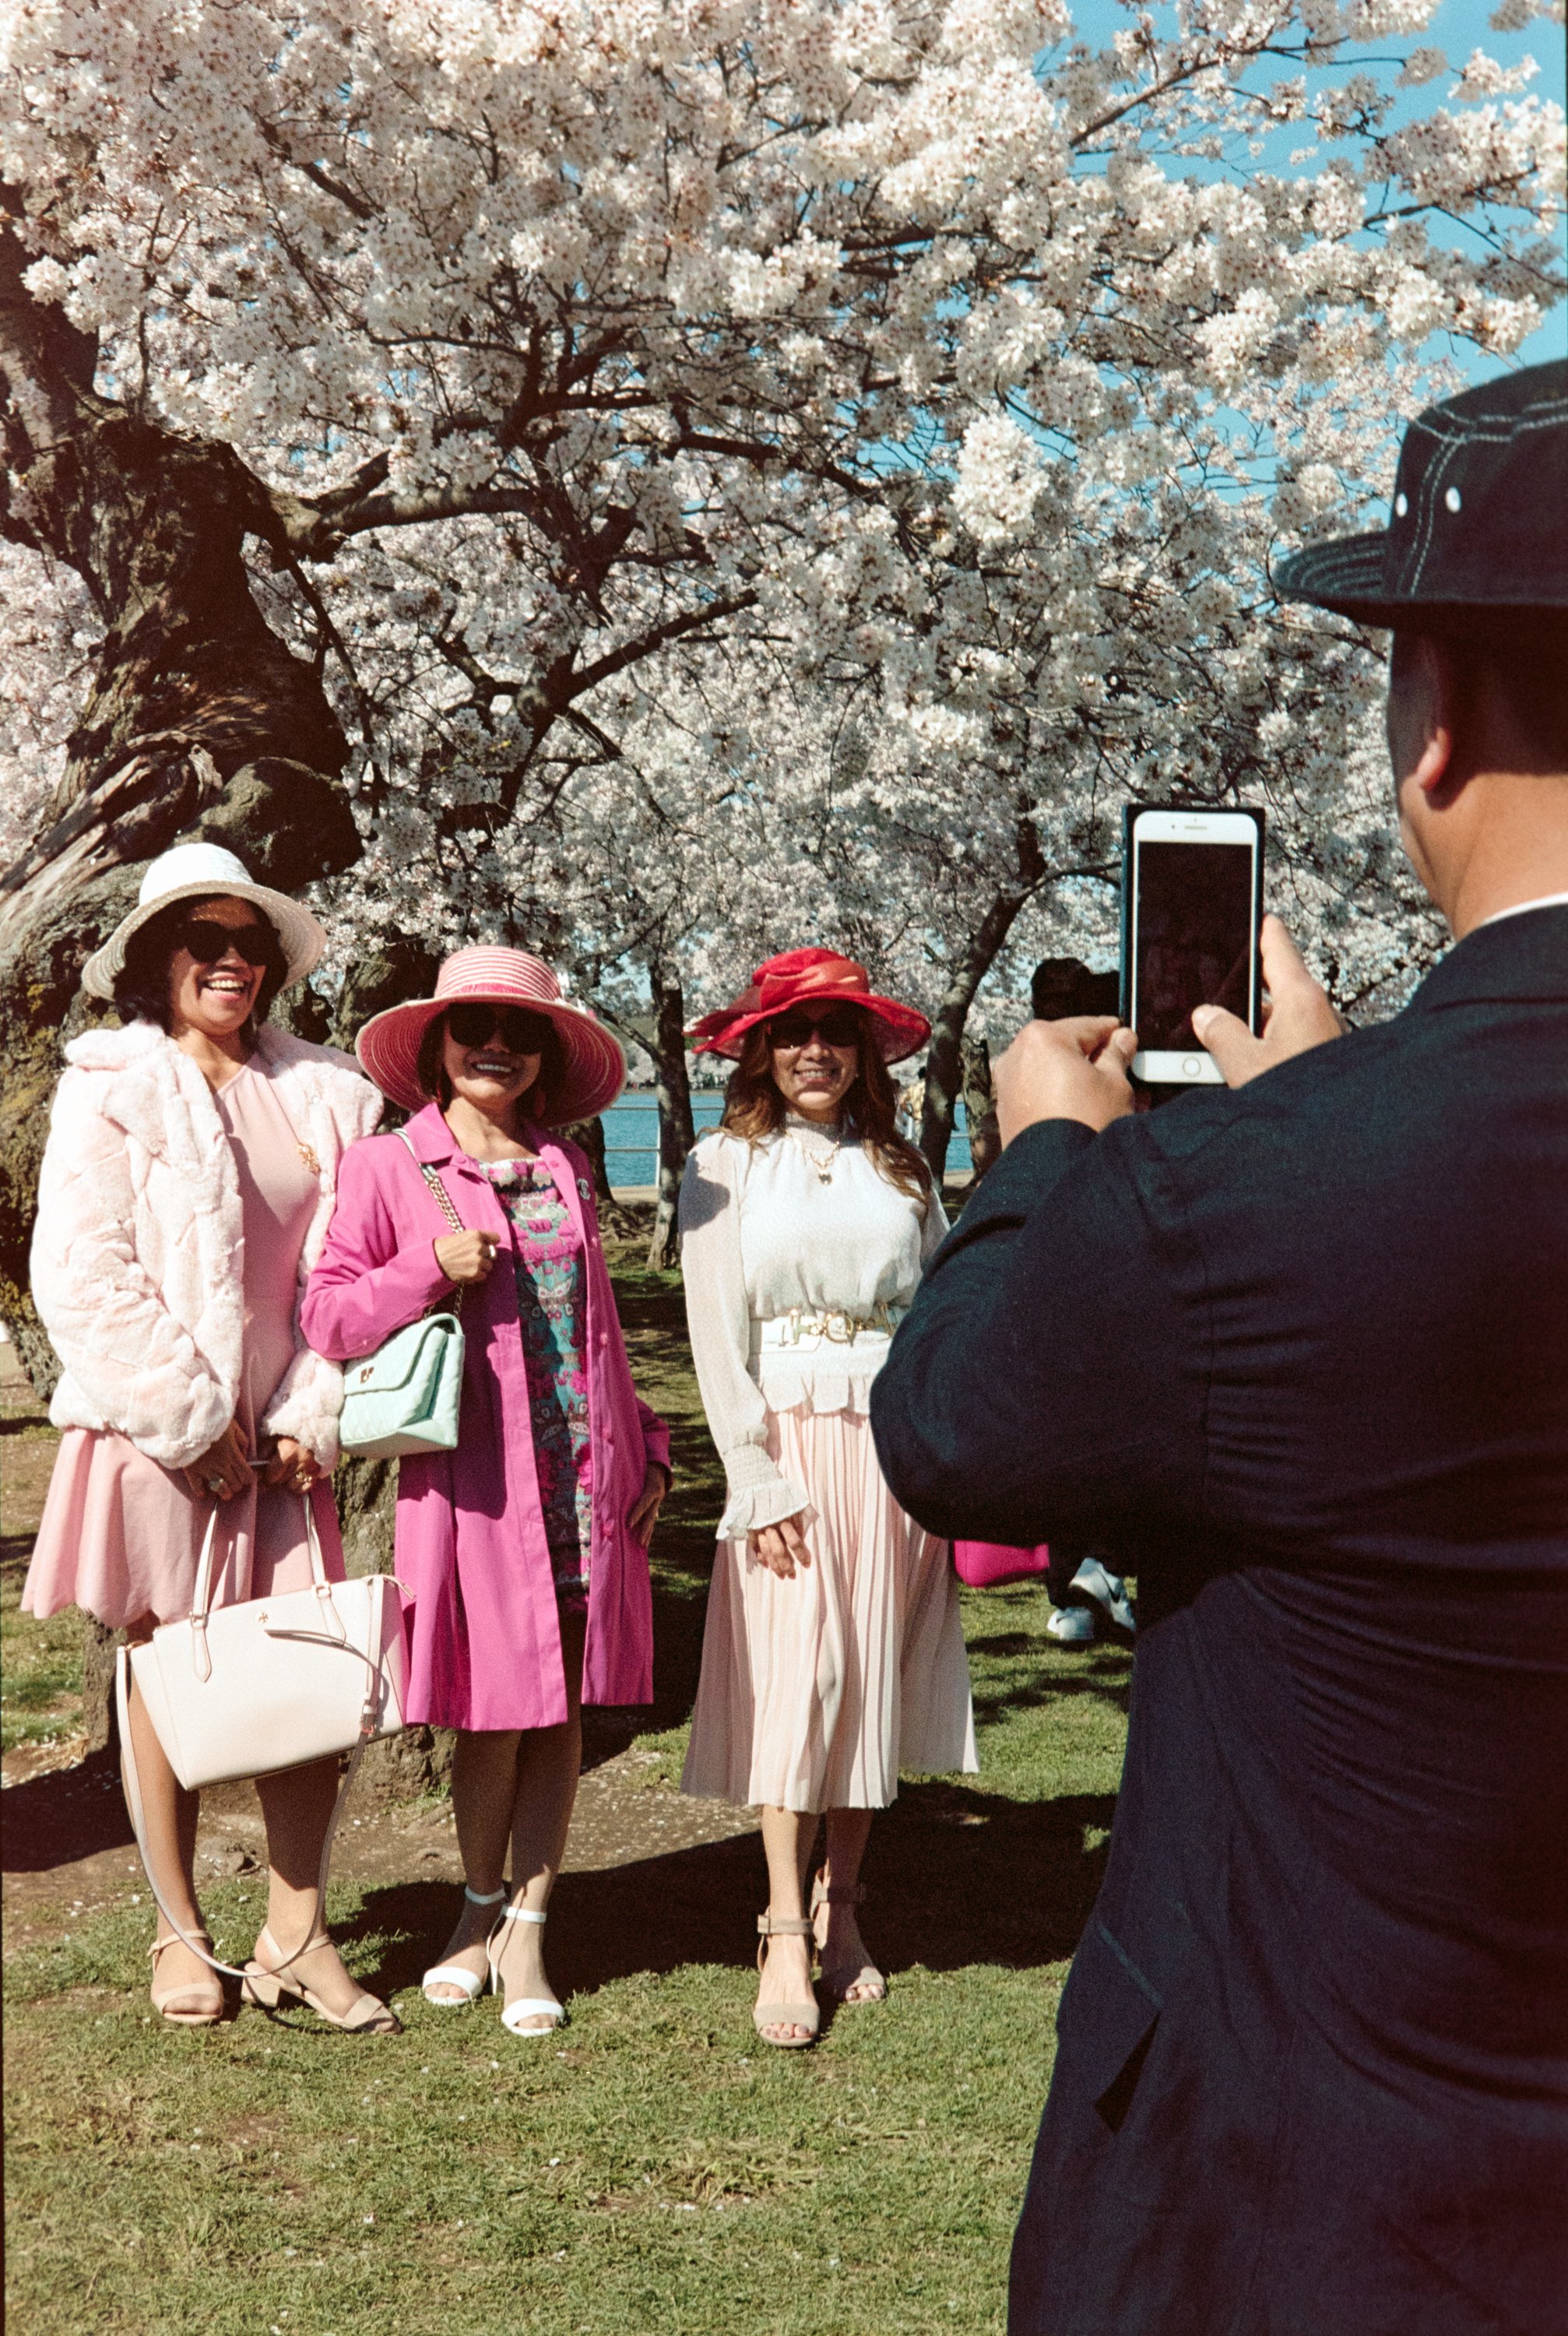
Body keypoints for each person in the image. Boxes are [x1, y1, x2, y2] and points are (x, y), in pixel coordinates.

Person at [870, 359, 1568, 2333]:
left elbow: (954, 1428)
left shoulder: (1239, 1201)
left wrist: (1048, 1166)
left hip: (1304, 2207)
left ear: (1428, 721)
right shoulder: (1301, 1174)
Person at [25, 842, 395, 2032]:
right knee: (161, 1673)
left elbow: (346, 1263)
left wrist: (303, 1410)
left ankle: (299, 1932)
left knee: (306, 1662)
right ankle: (178, 1931)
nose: (233, 962)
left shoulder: (328, 1093)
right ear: (155, 960)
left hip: (284, 1440)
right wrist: (187, 1421)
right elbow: (80, 1272)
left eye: (251, 945)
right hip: (156, 1434)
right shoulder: (110, 1083)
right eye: (206, 941)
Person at [301, 948, 670, 2038]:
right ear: (437, 1046)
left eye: (518, 1032)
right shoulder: (387, 1164)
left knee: (561, 1710)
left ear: (548, 1052)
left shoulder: (562, 1162)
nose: (493, 1049)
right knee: (488, 1708)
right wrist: (428, 1268)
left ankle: (533, 1927)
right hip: (475, 1478)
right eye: (471, 1030)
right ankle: (474, 1915)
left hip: (585, 1470)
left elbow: (595, 1329)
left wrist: (645, 1442)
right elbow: (327, 1319)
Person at [679, 948, 977, 2049]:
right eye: (794, 1033)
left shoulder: (901, 1168)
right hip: (787, 1440)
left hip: (886, 1437)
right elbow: (714, 1336)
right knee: (798, 1676)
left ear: (864, 1054)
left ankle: (842, 1907)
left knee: (865, 1677)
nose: (815, 1052)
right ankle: (778, 1926)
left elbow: (942, 1305)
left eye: (836, 1034)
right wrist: (753, 1477)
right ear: (760, 1048)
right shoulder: (723, 1164)